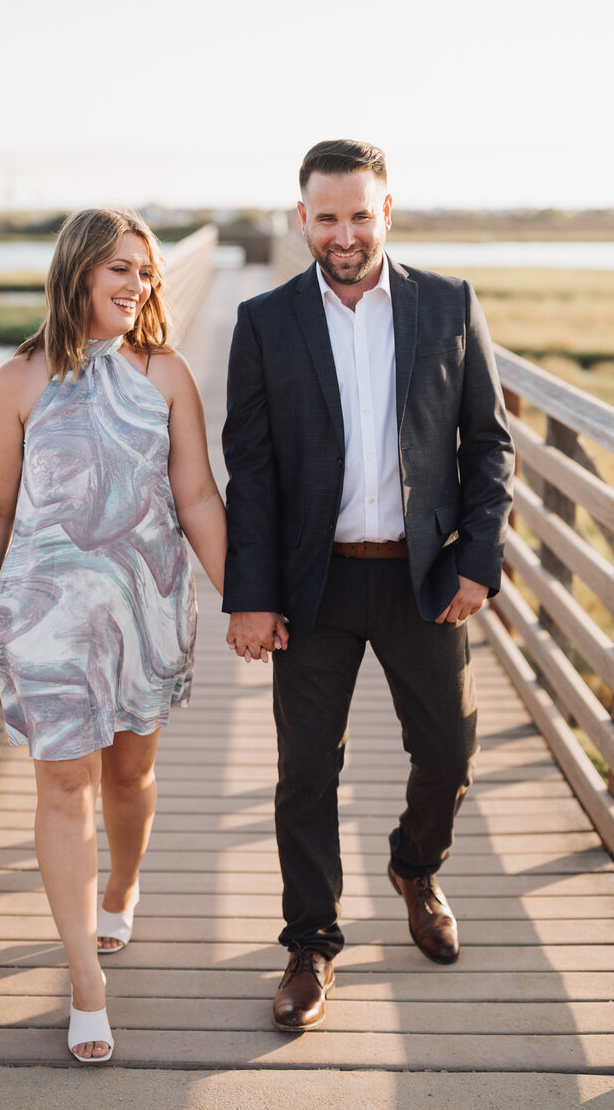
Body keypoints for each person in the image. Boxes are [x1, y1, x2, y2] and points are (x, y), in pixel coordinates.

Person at [222, 139, 514, 1032]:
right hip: (312, 588)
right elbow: (252, 468)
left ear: (387, 211)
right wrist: (250, 592)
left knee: (451, 754)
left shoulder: (448, 305)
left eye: (359, 214)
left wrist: (477, 560)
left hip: (422, 579)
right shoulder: (265, 321)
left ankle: (415, 868)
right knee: (305, 770)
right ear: (301, 218)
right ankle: (310, 944)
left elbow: (490, 444)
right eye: (326, 216)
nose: (343, 233)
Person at [0, 208, 226, 1063]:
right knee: (62, 788)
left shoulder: (167, 374)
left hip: (146, 611)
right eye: (121, 268)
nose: (138, 285)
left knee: (131, 772)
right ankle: (85, 982)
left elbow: (195, 498)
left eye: (146, 272)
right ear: (77, 270)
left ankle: (122, 885)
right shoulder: (19, 381)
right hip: (44, 620)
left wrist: (244, 601)